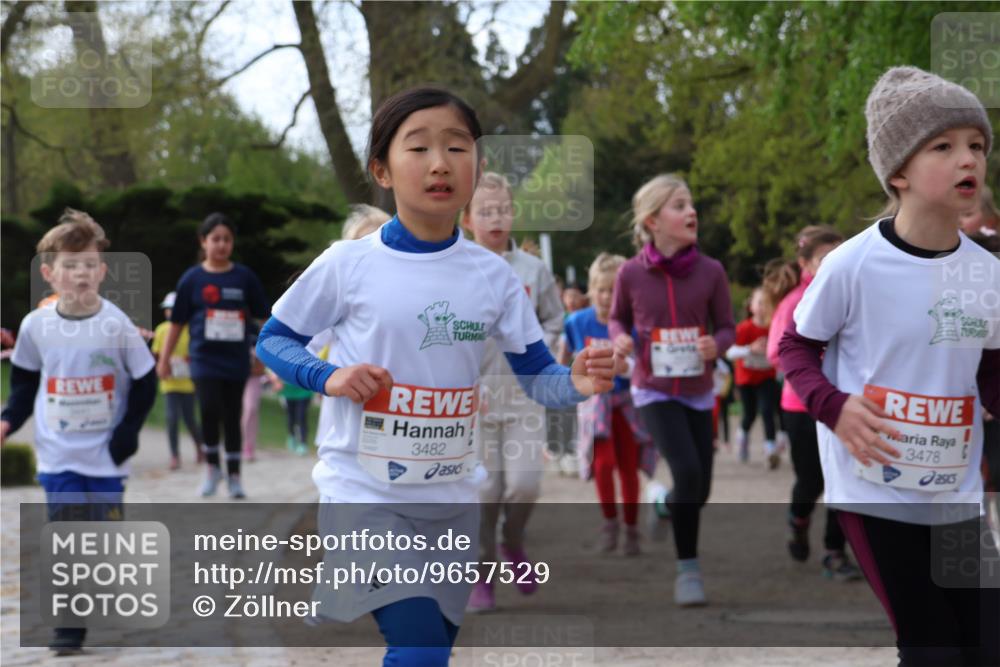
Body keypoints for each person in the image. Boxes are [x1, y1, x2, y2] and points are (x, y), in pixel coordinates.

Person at [253, 87, 623, 667]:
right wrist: (327, 375)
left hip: (452, 498)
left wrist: (576, 382)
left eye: (457, 147)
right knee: (420, 651)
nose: (440, 163)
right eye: (418, 147)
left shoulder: (495, 277)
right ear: (382, 169)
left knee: (433, 652)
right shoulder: (347, 264)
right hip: (364, 492)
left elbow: (538, 377)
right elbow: (273, 340)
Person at [779, 66, 999, 666]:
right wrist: (835, 407)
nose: (968, 160)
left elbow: (991, 370)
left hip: (955, 490)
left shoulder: (988, 273)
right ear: (898, 171)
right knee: (932, 648)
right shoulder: (853, 264)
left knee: (986, 647)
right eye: (944, 146)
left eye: (977, 146)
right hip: (873, 487)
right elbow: (795, 348)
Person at [0, 209, 157, 656]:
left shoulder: (117, 325)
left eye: (88, 264)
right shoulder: (36, 327)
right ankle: (69, 627)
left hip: (107, 456)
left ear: (102, 271)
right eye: (70, 265)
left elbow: (146, 383)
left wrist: (128, 431)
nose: (80, 273)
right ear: (50, 274)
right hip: (59, 454)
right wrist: (9, 421)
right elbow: (26, 383)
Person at [609, 173, 735, 607]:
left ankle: (663, 505)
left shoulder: (712, 272)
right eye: (679, 205)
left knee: (699, 491)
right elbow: (616, 319)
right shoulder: (630, 274)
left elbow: (727, 327)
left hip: (699, 389)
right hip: (653, 390)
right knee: (688, 471)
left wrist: (714, 345)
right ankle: (688, 571)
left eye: (691, 204)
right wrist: (621, 338)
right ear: (652, 221)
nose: (691, 212)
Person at [460, 172, 565, 612]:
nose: (496, 218)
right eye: (486, 211)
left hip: (523, 397)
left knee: (523, 486)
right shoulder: (456, 266)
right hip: (473, 403)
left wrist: (536, 348)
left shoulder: (533, 270)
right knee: (485, 492)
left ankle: (512, 543)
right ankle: (481, 575)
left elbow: (555, 321)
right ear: (467, 218)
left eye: (503, 210)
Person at [764, 225, 863, 582]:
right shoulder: (795, 302)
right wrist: (814, 362)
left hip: (846, 405)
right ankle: (799, 520)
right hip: (800, 407)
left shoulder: (854, 294)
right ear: (805, 264)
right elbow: (776, 352)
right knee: (811, 480)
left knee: (845, 480)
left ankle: (834, 552)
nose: (833, 264)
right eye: (824, 258)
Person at [156, 213, 270, 499]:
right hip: (204, 359)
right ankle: (211, 469)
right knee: (208, 410)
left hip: (235, 360)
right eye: (215, 239)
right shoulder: (192, 279)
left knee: (233, 416)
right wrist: (164, 358)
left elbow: (263, 320)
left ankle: (233, 475)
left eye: (227, 239)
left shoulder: (244, 277)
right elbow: (177, 323)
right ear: (203, 241)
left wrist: (262, 358)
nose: (221, 245)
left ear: (232, 243)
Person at [560, 252, 655, 556]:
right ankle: (609, 523)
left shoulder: (632, 327)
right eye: (601, 289)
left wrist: (625, 365)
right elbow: (562, 362)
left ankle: (631, 528)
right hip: (593, 403)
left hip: (626, 401)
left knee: (628, 466)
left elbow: (643, 365)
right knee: (603, 464)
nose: (606, 296)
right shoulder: (576, 322)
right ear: (591, 290)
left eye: (613, 290)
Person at [726, 287, 781, 468]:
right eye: (760, 303)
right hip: (747, 379)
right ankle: (742, 436)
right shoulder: (744, 328)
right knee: (749, 414)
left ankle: (770, 450)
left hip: (766, 377)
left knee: (767, 410)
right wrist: (750, 349)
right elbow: (730, 352)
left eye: (767, 303)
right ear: (751, 306)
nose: (763, 307)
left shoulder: (774, 327)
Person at [152, 291, 204, 469]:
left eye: (173, 309)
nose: (170, 312)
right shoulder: (161, 330)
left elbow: (198, 354)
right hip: (169, 383)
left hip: (188, 383)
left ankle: (200, 447)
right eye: (167, 309)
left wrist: (188, 361)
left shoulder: (190, 329)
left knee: (190, 419)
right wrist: (162, 364)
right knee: (172, 418)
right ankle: (175, 455)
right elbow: (157, 354)